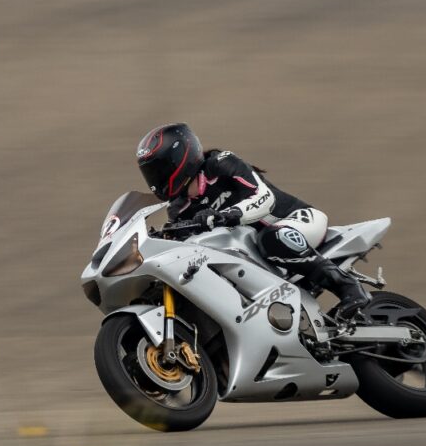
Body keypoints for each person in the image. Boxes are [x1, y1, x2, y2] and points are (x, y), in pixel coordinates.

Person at [135, 122, 370, 319]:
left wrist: (227, 215)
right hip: (254, 256)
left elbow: (264, 197)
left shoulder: (220, 164)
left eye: (160, 169)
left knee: (271, 238)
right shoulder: (178, 209)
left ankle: (349, 288)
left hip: (295, 221)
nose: (156, 179)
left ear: (181, 158)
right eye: (151, 173)